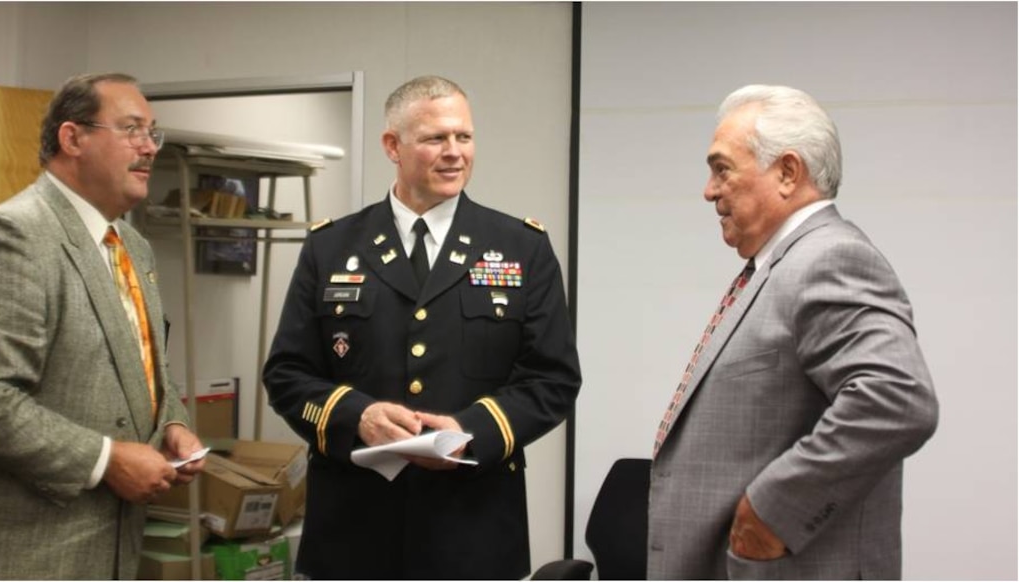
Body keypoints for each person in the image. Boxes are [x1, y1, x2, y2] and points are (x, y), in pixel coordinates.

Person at [263, 75, 582, 579]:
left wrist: (469, 431)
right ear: (393, 145)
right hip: (354, 530)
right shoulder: (331, 247)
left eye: (465, 137)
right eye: (437, 138)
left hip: (472, 530)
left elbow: (553, 380)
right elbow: (287, 374)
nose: (455, 152)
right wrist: (357, 416)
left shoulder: (522, 247)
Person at [646, 84, 939, 580]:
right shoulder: (779, 266)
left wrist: (774, 509)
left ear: (787, 172)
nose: (709, 190)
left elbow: (898, 398)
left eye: (722, 169)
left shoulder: (829, 258)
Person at [0, 72, 206, 579]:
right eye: (130, 129)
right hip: (19, 554)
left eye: (153, 132)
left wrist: (173, 422)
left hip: (108, 550)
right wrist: (105, 459)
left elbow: (143, 363)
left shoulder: (131, 245)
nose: (149, 147)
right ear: (72, 137)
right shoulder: (10, 236)